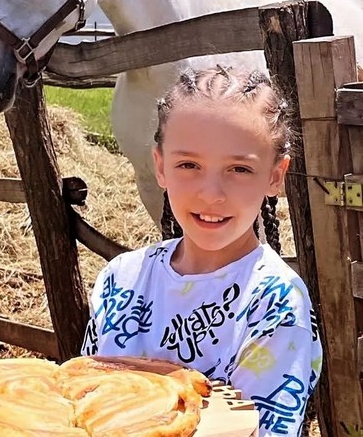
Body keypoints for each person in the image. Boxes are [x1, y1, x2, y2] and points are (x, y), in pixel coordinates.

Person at [81, 65, 322, 437]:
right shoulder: (120, 279)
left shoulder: (275, 303)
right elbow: (84, 402)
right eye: (189, 164)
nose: (211, 193)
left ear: (275, 176)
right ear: (160, 166)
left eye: (239, 169)